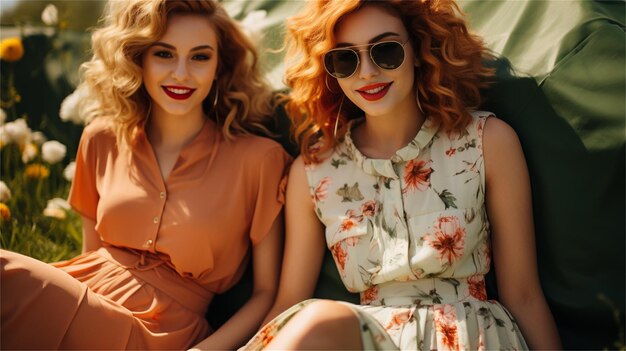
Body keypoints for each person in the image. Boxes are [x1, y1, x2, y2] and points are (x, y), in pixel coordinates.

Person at [243, 0, 561, 350]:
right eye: (345, 58)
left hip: (470, 338)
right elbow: (289, 301)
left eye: (386, 51)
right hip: (364, 338)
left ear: (420, 49)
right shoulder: (314, 171)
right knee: (317, 320)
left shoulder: (487, 141)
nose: (366, 72)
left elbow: (524, 294)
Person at [0, 1, 291, 349]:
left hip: (163, 333)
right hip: (78, 302)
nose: (181, 73)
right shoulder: (100, 138)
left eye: (200, 57)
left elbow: (266, 294)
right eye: (164, 55)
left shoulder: (260, 160)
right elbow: (89, 255)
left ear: (219, 66)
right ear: (138, 58)